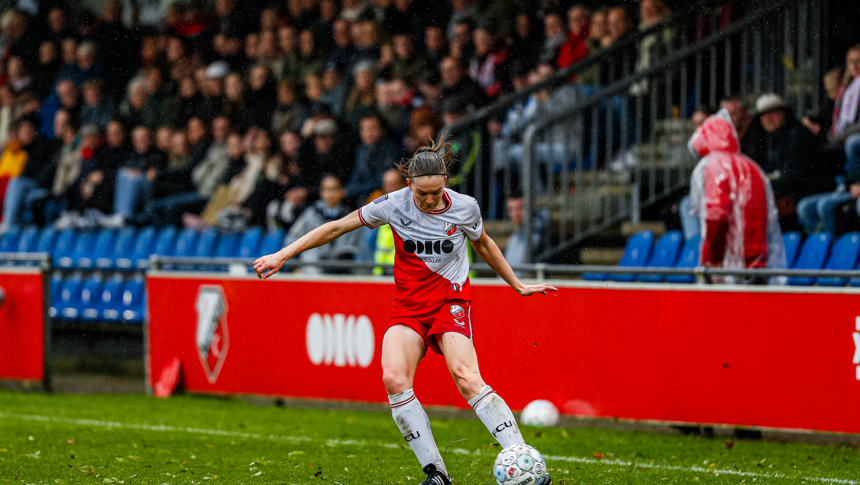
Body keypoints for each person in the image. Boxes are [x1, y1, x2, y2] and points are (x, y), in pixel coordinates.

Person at [253, 136, 557, 485]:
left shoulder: (465, 207)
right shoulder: (392, 204)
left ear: (445, 182)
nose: (429, 200)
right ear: (408, 183)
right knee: (393, 378)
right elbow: (335, 227)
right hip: (409, 307)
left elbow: (484, 243)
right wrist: (282, 254)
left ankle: (524, 462)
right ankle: (437, 474)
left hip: (450, 302)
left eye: (436, 192)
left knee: (466, 376)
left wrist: (516, 283)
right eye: (421, 193)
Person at [688, 109, 786, 284]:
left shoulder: (712, 167)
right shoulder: (753, 168)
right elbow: (769, 222)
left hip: (730, 266)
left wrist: (713, 261)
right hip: (758, 264)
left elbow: (716, 216)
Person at [285, 175, 360, 274]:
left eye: (334, 189)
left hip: (339, 276)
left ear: (342, 192)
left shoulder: (350, 218)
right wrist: (294, 267)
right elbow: (291, 239)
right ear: (322, 193)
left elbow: (351, 251)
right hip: (310, 272)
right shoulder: (310, 215)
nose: (330, 194)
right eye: (327, 190)